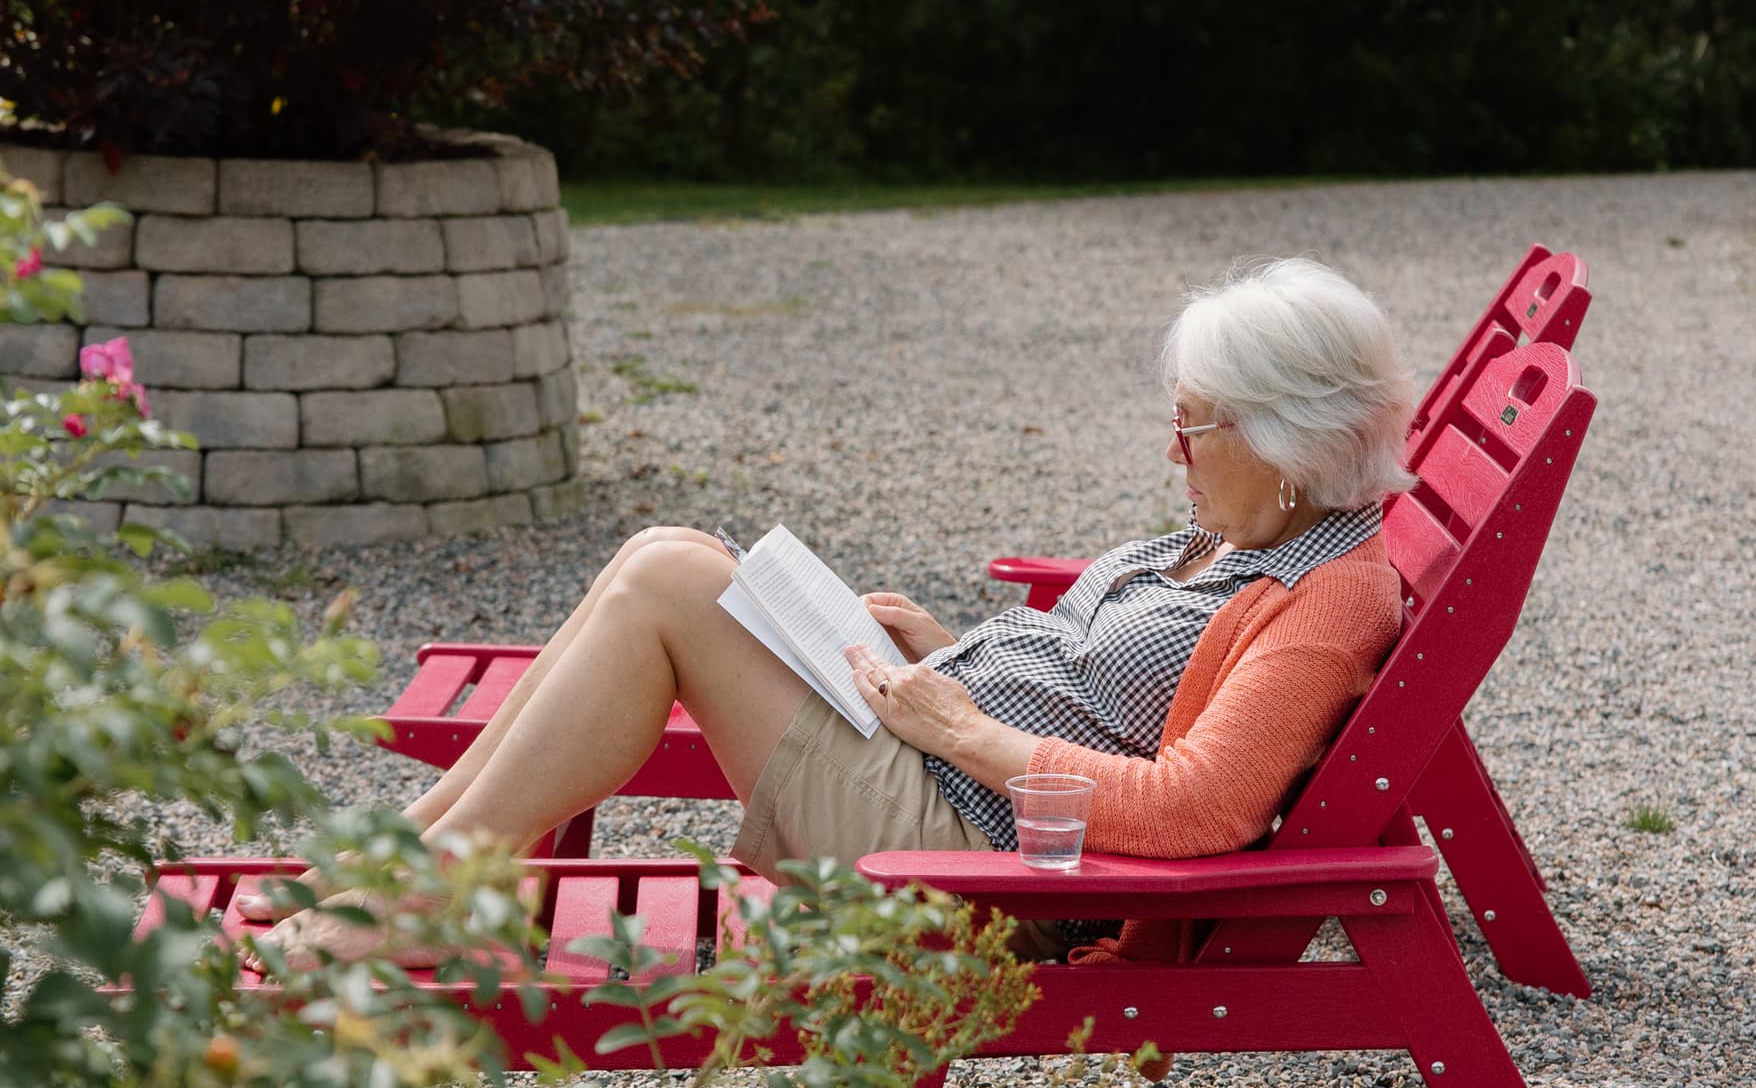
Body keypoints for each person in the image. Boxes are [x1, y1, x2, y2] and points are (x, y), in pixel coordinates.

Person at [248, 255, 1413, 952]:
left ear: (1291, 442)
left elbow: (1195, 808)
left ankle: (424, 889)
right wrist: (951, 652)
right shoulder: (1245, 529)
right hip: (937, 770)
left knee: (672, 583)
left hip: (977, 860)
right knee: (675, 545)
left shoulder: (1326, 596)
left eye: (1195, 423)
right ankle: (400, 857)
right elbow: (1111, 701)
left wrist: (958, 723)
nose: (1174, 449)